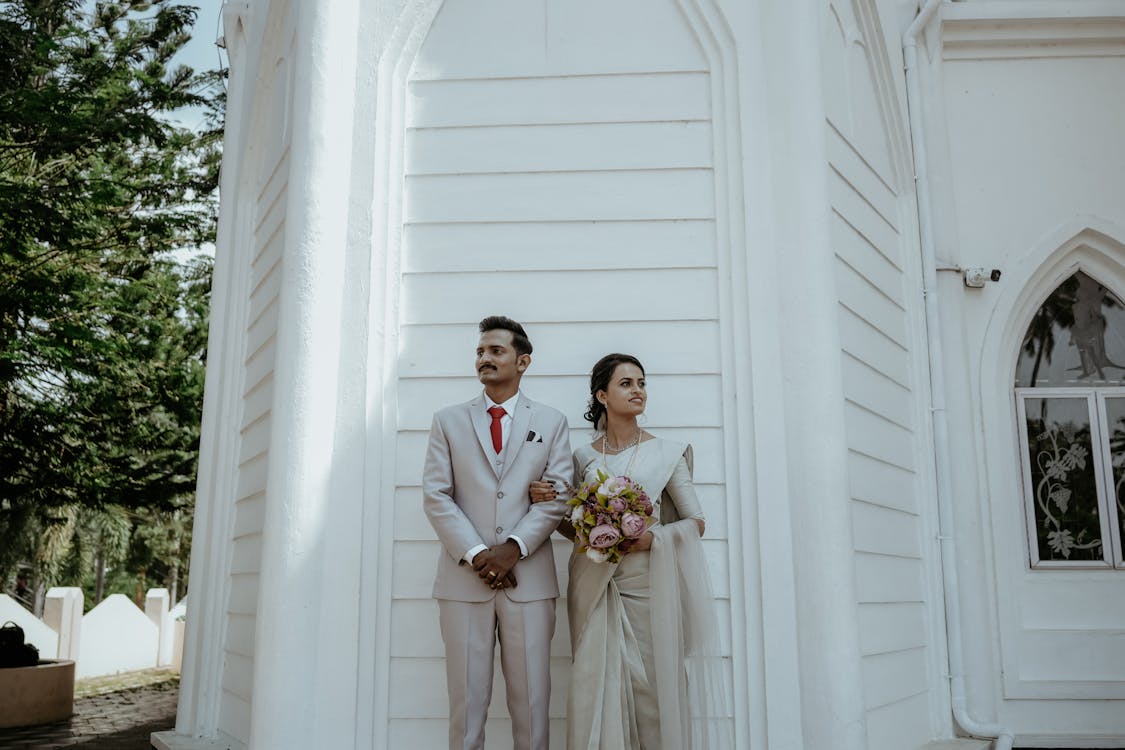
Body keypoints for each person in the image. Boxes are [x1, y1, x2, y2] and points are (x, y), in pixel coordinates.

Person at [531, 353, 730, 749]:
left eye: (641, 383)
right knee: (592, 684)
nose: (638, 390)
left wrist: (652, 539)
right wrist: (549, 505)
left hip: (646, 588)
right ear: (602, 395)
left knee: (650, 691)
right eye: (626, 384)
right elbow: (575, 528)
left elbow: (697, 522)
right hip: (593, 587)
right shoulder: (583, 457)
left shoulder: (668, 452)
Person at [423, 315, 572, 750]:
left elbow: (559, 496)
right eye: (480, 352)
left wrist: (513, 548)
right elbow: (436, 495)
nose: (484, 359)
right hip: (463, 580)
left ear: (523, 361)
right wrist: (477, 554)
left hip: (529, 580)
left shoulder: (551, 421)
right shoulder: (448, 421)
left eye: (496, 351)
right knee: (465, 706)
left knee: (532, 703)